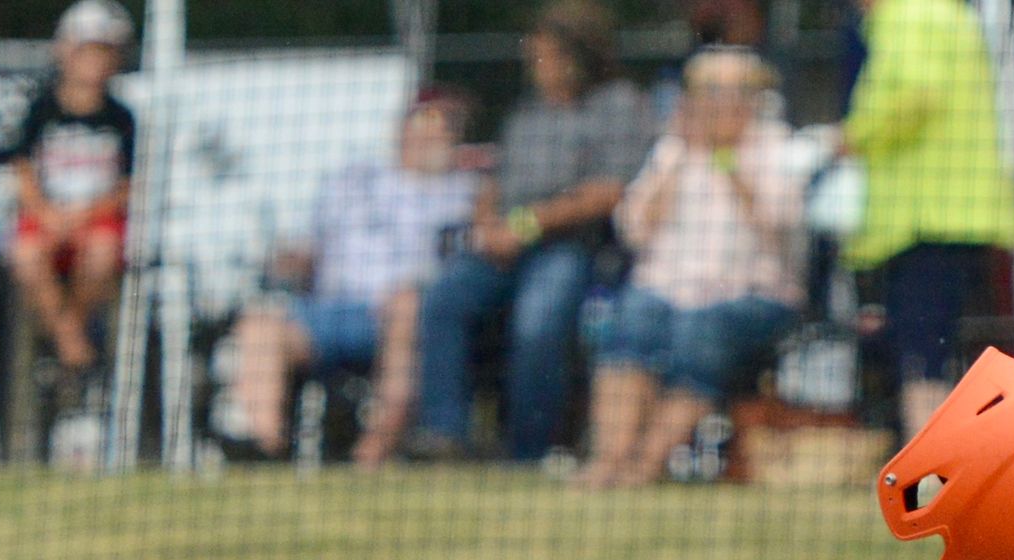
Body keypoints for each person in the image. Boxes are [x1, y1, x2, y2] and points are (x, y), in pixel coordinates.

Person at [413, 2, 656, 465]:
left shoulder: (620, 105)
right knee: (443, 297)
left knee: (538, 320)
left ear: (578, 56)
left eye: (545, 55)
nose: (535, 65)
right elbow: (495, 182)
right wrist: (487, 226)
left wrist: (523, 227)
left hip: (572, 247)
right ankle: (444, 434)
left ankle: (527, 450)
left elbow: (608, 191)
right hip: (502, 245)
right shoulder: (529, 112)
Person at [579, 48, 802, 488]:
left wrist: (724, 158)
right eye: (710, 90)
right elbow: (633, 227)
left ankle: (645, 466)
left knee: (698, 333)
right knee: (629, 323)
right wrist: (680, 158)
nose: (723, 101)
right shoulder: (672, 148)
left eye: (736, 90)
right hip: (665, 286)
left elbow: (778, 224)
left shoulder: (778, 146)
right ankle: (609, 461)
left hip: (749, 294)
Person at [228, 92, 477, 470]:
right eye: (425, 124)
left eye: (445, 128)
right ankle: (266, 449)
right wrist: (293, 261)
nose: (434, 136)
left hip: (400, 313)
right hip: (330, 309)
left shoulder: (463, 193)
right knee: (260, 324)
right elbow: (312, 248)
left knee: (407, 305)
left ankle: (375, 450)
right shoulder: (353, 180)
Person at [839, 0, 1014, 438]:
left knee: (921, 352)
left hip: (924, 219)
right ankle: (940, 460)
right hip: (961, 212)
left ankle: (928, 464)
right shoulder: (951, 14)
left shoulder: (907, 16)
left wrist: (851, 136)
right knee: (939, 347)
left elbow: (915, 93)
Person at [4, 0, 137, 386]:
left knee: (100, 255)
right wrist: (48, 215)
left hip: (97, 220)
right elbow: (23, 172)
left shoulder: (121, 118)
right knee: (26, 256)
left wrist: (85, 216)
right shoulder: (41, 110)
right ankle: (73, 347)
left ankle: (66, 342)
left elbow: (127, 186)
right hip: (46, 217)